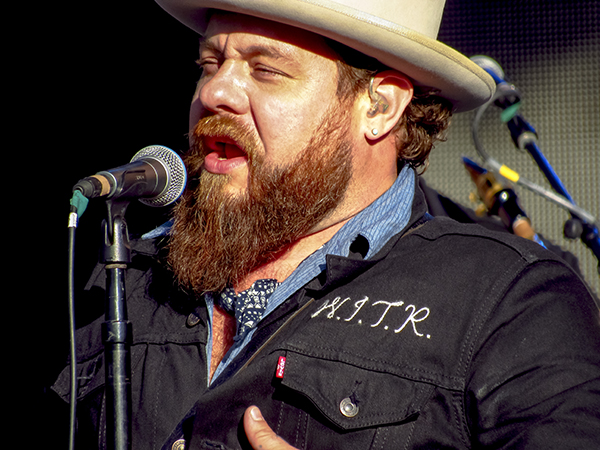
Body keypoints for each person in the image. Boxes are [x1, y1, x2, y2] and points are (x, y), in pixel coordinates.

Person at [51, 0, 600, 449]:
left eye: (266, 69)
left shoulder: (511, 302)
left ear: (379, 107)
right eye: (210, 64)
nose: (213, 94)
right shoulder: (131, 274)